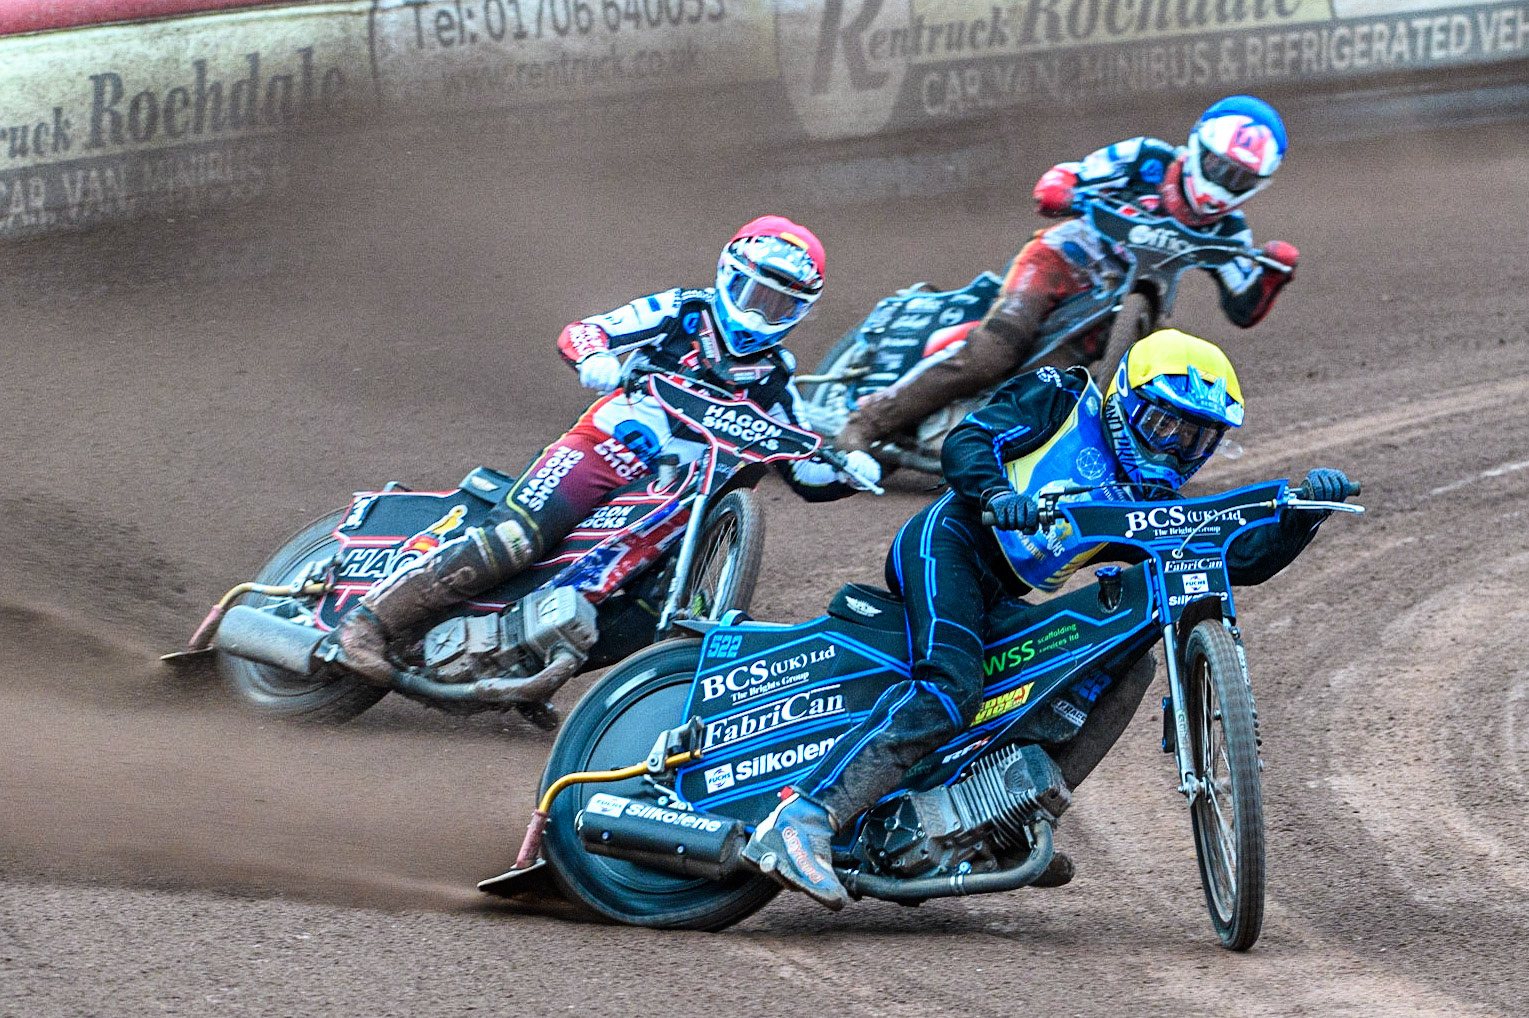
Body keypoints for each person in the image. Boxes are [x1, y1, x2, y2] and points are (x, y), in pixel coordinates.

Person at [743, 329, 1353, 909]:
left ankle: (1010, 818)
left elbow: (1234, 558)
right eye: (1164, 424)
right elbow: (967, 440)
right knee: (951, 688)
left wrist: (1299, 523)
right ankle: (800, 821)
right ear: (1125, 404)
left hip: (1008, 593)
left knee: (1126, 666)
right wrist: (996, 497)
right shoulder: (1062, 397)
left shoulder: (1151, 502)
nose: (1174, 448)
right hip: (950, 542)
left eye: (1196, 439)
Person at [328, 216, 881, 685]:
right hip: (603, 448)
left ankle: (527, 663)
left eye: (781, 303)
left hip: (675, 490)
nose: (762, 313)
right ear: (728, 277)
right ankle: (370, 623)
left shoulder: (777, 376)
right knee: (519, 536)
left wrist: (847, 467)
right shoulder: (682, 311)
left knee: (638, 607)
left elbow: (805, 470)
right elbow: (587, 331)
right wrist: (597, 360)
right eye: (756, 293)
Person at [832, 95, 1300, 457]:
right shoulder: (1146, 159)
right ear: (1198, 146)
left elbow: (1242, 305)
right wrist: (1065, 190)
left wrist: (1272, 278)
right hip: (1058, 261)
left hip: (1114, 312)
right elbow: (1069, 176)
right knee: (993, 352)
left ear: (1256, 184)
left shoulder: (1230, 230)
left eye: (1238, 179)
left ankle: (987, 452)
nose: (1221, 184)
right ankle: (867, 423)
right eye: (1218, 166)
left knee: (1050, 385)